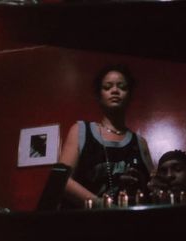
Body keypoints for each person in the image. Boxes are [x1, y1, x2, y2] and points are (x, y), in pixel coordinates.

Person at [59, 64, 154, 208]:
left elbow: (152, 186)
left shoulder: (140, 143)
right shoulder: (81, 130)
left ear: (129, 95)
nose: (115, 90)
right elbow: (62, 180)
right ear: (99, 96)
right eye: (107, 87)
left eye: (122, 86)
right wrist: (103, 205)